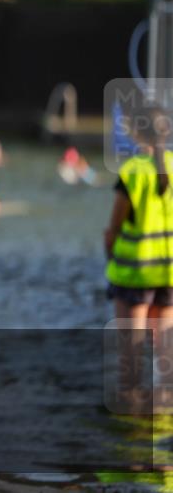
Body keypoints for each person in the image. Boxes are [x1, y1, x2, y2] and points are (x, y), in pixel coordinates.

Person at [103, 104, 173, 410]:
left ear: (134, 131)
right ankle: (164, 442)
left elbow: (115, 226)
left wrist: (109, 255)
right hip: (169, 274)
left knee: (131, 368)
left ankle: (131, 443)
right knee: (167, 363)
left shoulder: (132, 172)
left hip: (134, 275)